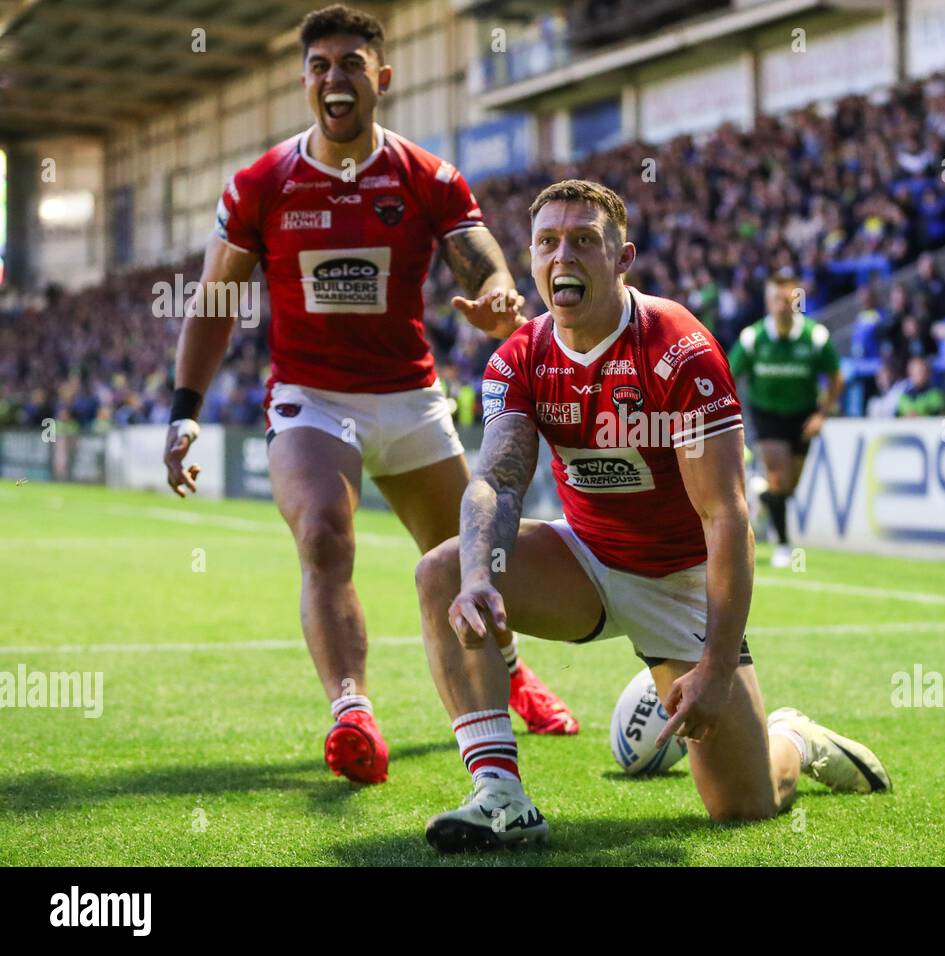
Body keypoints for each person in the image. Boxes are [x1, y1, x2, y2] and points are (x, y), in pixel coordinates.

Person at [161, 5, 578, 788]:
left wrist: (496, 295)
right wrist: (185, 411)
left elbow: (478, 255)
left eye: (351, 63)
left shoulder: (425, 175)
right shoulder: (262, 183)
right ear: (305, 83)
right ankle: (351, 710)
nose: (334, 78)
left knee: (471, 557)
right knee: (324, 533)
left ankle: (514, 674)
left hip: (412, 398)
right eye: (319, 66)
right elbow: (214, 303)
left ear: (381, 79)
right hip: (312, 400)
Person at [414, 180, 890, 852]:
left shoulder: (680, 351)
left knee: (743, 806)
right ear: (530, 259)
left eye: (584, 241)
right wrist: (477, 574)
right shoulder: (519, 358)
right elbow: (498, 476)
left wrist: (718, 668)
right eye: (548, 243)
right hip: (586, 561)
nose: (563, 257)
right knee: (441, 572)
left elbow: (725, 517)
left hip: (678, 582)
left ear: (622, 257)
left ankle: (793, 737)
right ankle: (500, 795)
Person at [727, 270, 843, 568]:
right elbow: (728, 373)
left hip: (803, 416)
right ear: (768, 303)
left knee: (789, 486)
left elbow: (836, 378)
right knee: (779, 476)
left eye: (788, 298)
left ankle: (765, 498)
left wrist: (822, 415)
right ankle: (784, 545)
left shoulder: (814, 337)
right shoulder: (753, 338)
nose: (782, 304)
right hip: (767, 415)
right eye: (776, 299)